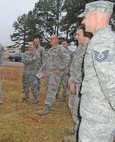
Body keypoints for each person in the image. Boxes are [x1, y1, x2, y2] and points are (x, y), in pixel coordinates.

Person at [78, 1, 115, 141]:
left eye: (85, 16)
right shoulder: (106, 38)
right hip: (102, 115)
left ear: (95, 16)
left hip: (98, 119)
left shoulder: (102, 41)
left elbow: (111, 82)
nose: (83, 20)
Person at [62, 25, 93, 142]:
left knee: (79, 110)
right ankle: (76, 128)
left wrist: (76, 82)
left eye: (78, 34)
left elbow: (87, 72)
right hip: (74, 84)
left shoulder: (90, 49)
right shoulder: (80, 47)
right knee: (72, 107)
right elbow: (74, 64)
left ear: (86, 34)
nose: (76, 37)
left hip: (81, 86)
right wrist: (70, 78)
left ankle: (78, 136)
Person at [36, 35, 70, 116]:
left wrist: (60, 68)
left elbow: (67, 58)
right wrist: (41, 69)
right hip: (48, 73)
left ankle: (47, 107)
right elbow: (46, 61)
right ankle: (50, 105)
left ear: (57, 40)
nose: (50, 40)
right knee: (48, 89)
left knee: (52, 89)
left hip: (55, 74)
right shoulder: (51, 49)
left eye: (52, 39)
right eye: (50, 38)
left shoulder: (60, 48)